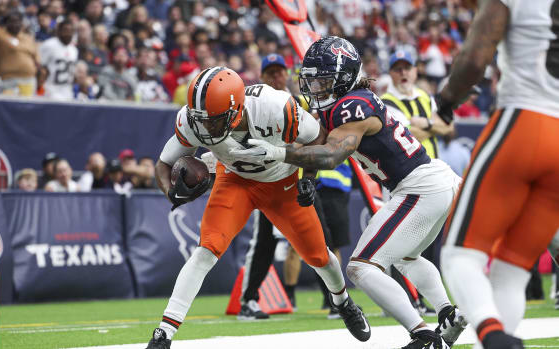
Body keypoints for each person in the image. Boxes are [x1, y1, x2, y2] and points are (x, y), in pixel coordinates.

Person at [231, 36, 465, 348]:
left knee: (360, 268)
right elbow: (317, 141)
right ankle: (447, 314)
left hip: (419, 187)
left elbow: (331, 155)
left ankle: (423, 336)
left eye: (323, 81)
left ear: (342, 79)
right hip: (428, 182)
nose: (315, 89)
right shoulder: (345, 103)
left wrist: (278, 153)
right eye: (312, 81)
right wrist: (308, 177)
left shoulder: (352, 107)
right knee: (407, 256)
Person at [145, 66, 371, 349]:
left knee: (318, 256)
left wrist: (309, 177)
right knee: (206, 250)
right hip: (234, 181)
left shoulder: (275, 107)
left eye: (212, 120)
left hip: (282, 181)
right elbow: (164, 163)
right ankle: (165, 332)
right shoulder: (195, 120)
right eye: (199, 119)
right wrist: (172, 193)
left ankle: (343, 302)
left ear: (236, 110)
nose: (204, 127)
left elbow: (317, 135)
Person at [434, 0, 559, 347]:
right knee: (512, 270)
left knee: (460, 254)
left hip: (525, 121)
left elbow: (474, 59)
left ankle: (492, 335)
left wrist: (445, 101)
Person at [237, 53, 336, 320]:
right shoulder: (255, 104)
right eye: (271, 73)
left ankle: (334, 300)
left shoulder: (301, 102)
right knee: (264, 242)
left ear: (286, 75)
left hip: (300, 178)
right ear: (263, 78)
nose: (276, 77)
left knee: (319, 236)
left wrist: (294, 154)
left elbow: (318, 139)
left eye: (280, 72)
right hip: (269, 180)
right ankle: (249, 299)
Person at [382, 49, 455, 316]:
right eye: (398, 68)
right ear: (391, 72)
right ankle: (407, 300)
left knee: (430, 243)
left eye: (407, 67)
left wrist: (423, 123)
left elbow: (447, 127)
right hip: (404, 179)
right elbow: (409, 132)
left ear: (415, 70)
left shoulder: (425, 97)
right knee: (402, 242)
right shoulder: (386, 101)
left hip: (433, 179)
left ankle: (427, 299)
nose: (403, 73)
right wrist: (430, 125)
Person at [0, 4, 39, 96]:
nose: (15, 24)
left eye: (18, 21)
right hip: (8, 81)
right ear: (6, 23)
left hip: (29, 80)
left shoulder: (28, 37)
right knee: (9, 107)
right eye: (12, 21)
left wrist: (35, 68)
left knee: (27, 108)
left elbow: (36, 58)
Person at [39, 20, 78, 100]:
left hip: (67, 90)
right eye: (65, 30)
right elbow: (40, 66)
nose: (68, 34)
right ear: (59, 31)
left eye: (71, 31)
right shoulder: (49, 45)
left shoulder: (74, 50)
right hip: (50, 90)